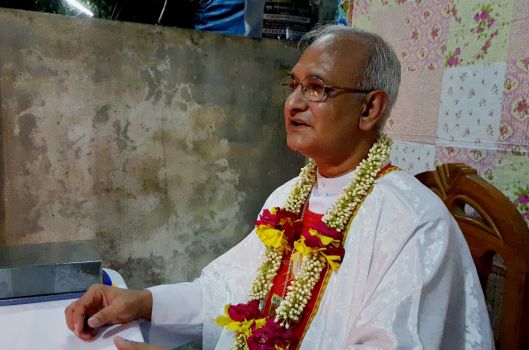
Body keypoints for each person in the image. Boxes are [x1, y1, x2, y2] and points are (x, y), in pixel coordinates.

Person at [65, 25, 494, 350]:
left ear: (369, 108)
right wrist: (140, 301)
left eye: (317, 88)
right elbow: (231, 294)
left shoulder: (414, 225)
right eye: (293, 86)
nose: (293, 103)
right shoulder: (289, 197)